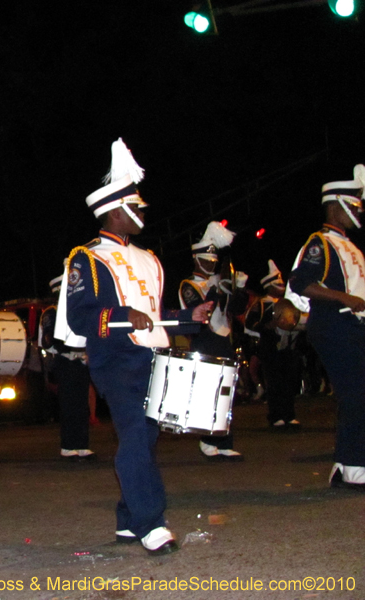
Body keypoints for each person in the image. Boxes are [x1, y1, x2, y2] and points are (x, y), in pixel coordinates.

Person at [55, 138, 212, 555]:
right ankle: (150, 522)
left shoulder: (150, 259)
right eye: (136, 207)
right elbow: (81, 317)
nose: (143, 212)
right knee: (136, 436)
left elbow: (155, 315)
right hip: (116, 359)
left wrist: (189, 318)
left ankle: (128, 519)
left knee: (145, 437)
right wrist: (123, 314)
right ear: (114, 211)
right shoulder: (87, 258)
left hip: (154, 357)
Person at [287, 164, 365, 491]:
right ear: (336, 206)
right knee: (356, 394)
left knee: (355, 394)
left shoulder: (349, 245)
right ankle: (355, 468)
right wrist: (345, 298)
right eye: (354, 206)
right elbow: (300, 282)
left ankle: (345, 466)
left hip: (349, 325)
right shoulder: (320, 242)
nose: (359, 211)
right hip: (335, 323)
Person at [179, 221, 248, 461]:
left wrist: (239, 288)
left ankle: (225, 441)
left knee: (227, 392)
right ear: (196, 259)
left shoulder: (218, 281)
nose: (211, 264)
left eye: (213, 260)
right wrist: (214, 289)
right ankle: (208, 440)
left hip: (223, 338)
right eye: (206, 260)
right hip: (204, 340)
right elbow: (201, 311)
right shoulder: (189, 285)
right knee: (209, 393)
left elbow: (235, 310)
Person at [244, 260, 304, 429]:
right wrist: (266, 326)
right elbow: (250, 324)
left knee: (289, 382)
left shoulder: (289, 303)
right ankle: (276, 415)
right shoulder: (261, 304)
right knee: (275, 383)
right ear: (269, 286)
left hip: (288, 346)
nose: (281, 287)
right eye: (277, 284)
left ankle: (289, 415)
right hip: (270, 348)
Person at [40, 275, 94, 461]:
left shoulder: (79, 310)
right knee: (69, 405)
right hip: (65, 361)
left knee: (82, 405)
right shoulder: (52, 312)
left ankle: (82, 445)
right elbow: (49, 340)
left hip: (81, 361)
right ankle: (68, 446)